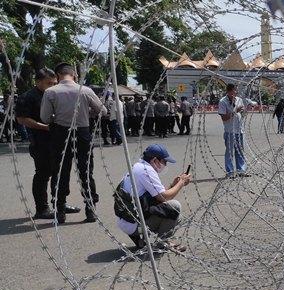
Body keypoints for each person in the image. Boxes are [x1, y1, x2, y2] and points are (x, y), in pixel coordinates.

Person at [40, 63, 106, 223]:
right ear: (74, 75)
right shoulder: (85, 90)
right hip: (82, 132)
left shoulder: (50, 92)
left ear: (57, 76)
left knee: (61, 171)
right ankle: (90, 210)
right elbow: (102, 111)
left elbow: (45, 118)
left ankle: (60, 209)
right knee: (86, 171)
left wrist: (58, 116)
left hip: (61, 134)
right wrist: (86, 111)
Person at [115, 144, 191, 251]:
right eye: (164, 161)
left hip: (127, 219)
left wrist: (174, 185)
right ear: (155, 160)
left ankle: (141, 240)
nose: (165, 164)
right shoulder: (146, 171)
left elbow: (156, 196)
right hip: (133, 222)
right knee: (175, 208)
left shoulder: (139, 166)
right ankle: (163, 243)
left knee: (169, 210)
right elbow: (163, 197)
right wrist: (181, 183)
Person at [16, 68, 59, 219]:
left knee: (58, 173)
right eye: (49, 83)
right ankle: (42, 208)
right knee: (43, 174)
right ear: (38, 81)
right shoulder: (28, 97)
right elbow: (22, 119)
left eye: (55, 83)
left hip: (56, 140)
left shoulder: (55, 94)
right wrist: (45, 127)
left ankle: (60, 204)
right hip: (40, 141)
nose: (53, 86)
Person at [218, 84, 248, 177]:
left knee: (240, 151)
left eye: (236, 91)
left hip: (239, 130)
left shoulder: (239, 100)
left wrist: (244, 111)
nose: (235, 93)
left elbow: (243, 113)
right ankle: (230, 172)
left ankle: (241, 170)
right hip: (230, 130)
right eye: (234, 91)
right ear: (229, 91)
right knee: (230, 152)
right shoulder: (223, 101)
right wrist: (235, 111)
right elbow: (224, 117)